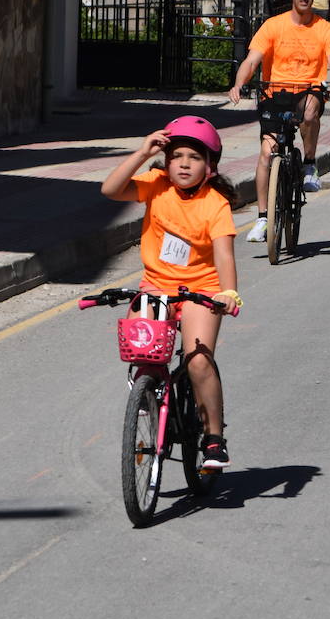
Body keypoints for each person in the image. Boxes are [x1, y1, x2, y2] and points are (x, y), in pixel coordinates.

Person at [99, 116, 241, 468]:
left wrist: (229, 293)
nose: (184, 164)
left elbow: (224, 254)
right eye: (177, 156)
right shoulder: (156, 184)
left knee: (197, 360)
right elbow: (111, 190)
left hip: (202, 290)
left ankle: (212, 437)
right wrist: (141, 152)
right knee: (141, 348)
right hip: (156, 286)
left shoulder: (215, 203)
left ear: (209, 166)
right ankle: (150, 394)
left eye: (194, 158)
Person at [229, 0, 330, 241]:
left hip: (308, 91)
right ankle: (262, 218)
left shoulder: (326, 29)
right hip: (275, 92)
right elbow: (251, 61)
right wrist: (239, 84)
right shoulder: (273, 26)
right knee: (266, 154)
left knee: (309, 111)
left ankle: (308, 164)